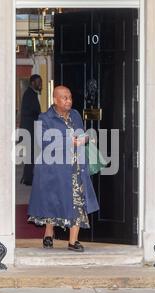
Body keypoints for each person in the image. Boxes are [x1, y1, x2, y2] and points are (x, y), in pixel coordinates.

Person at [27, 86, 99, 252]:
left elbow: (80, 134)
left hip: (76, 168)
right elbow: (43, 142)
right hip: (53, 169)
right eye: (64, 98)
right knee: (53, 201)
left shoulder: (75, 115)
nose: (68, 101)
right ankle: (49, 232)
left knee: (77, 201)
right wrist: (70, 141)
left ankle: (73, 241)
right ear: (55, 100)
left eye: (70, 97)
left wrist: (85, 138)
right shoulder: (44, 118)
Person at [19, 74, 43, 186]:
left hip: (30, 127)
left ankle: (27, 177)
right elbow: (33, 111)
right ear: (33, 82)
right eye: (39, 82)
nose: (40, 84)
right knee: (31, 153)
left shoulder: (31, 93)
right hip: (29, 128)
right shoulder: (30, 94)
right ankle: (28, 178)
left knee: (31, 153)